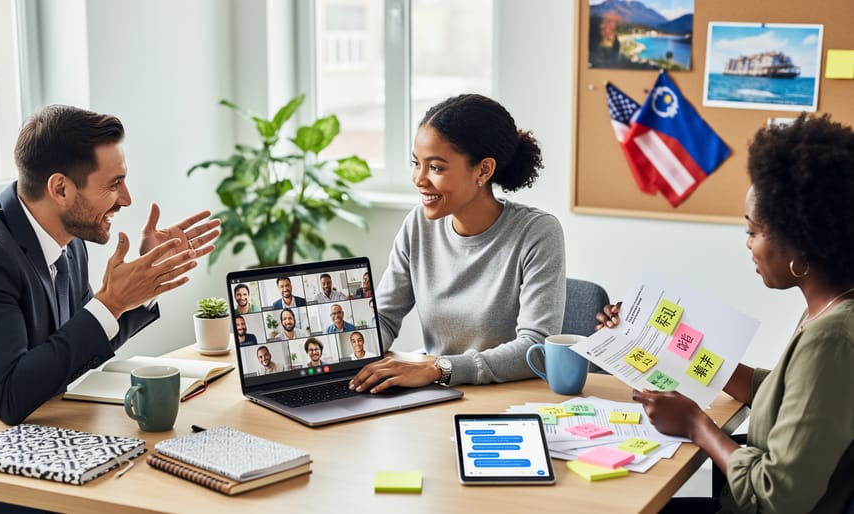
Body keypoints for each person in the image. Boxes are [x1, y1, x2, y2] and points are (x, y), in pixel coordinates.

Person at [0, 105, 220, 513]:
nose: (126, 199)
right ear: (60, 189)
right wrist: (111, 300)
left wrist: (139, 287)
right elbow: (9, 397)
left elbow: (75, 345)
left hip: (49, 441)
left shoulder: (69, 237)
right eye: (114, 185)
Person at [596, 114, 854, 513]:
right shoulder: (831, 309)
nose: (747, 245)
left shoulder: (832, 339)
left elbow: (779, 497)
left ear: (800, 240)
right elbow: (792, 394)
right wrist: (649, 334)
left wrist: (697, 425)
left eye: (753, 231)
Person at [349, 94, 565, 394]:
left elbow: (535, 348)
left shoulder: (537, 232)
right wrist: (340, 356)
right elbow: (383, 318)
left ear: (483, 170)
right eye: (416, 164)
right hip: (436, 394)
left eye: (436, 168)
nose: (419, 179)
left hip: (508, 399)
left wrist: (439, 368)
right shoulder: (418, 226)